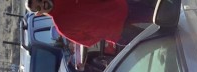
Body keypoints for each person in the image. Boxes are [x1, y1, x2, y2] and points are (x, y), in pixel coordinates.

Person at [25, 0, 161, 47]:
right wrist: (102, 31)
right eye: (38, 7)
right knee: (156, 41)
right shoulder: (62, 27)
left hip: (121, 8)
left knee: (161, 13)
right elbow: (87, 41)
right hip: (118, 33)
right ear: (39, 13)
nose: (43, 4)